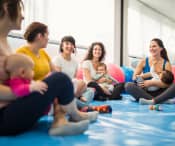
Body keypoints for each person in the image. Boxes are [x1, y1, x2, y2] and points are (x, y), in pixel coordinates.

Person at [0, 1, 97, 136]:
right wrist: (27, 89)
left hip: (14, 107)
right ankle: (75, 114)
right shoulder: (20, 51)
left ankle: (62, 120)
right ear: (6, 7)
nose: (22, 16)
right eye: (20, 10)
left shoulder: (5, 42)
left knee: (60, 80)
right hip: (5, 117)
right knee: (60, 79)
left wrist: (34, 86)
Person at [125, 38, 173, 104]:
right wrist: (141, 80)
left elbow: (168, 83)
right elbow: (134, 77)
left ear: (161, 48)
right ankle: (159, 100)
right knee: (128, 86)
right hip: (145, 91)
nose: (151, 48)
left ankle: (151, 100)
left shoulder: (166, 64)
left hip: (160, 92)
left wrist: (151, 83)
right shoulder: (144, 61)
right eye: (150, 47)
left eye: (154, 46)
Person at [52, 36, 95, 106]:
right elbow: (57, 80)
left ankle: (74, 104)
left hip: (72, 89)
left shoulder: (75, 62)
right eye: (67, 43)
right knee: (82, 83)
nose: (69, 46)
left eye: (72, 44)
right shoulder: (57, 59)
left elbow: (74, 79)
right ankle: (78, 104)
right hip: (61, 89)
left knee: (90, 91)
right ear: (62, 46)